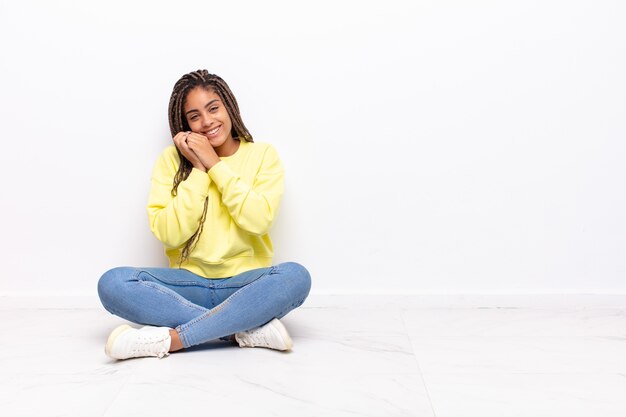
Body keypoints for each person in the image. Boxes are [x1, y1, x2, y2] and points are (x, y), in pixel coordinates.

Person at [97, 70, 311, 360]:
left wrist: (215, 165)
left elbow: (259, 220)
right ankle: (240, 329)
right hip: (187, 286)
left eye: (213, 108)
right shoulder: (170, 161)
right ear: (184, 124)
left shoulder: (263, 155)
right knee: (113, 283)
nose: (207, 121)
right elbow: (169, 233)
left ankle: (175, 340)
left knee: (296, 277)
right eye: (194, 116)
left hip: (246, 285)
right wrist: (198, 169)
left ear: (229, 107)